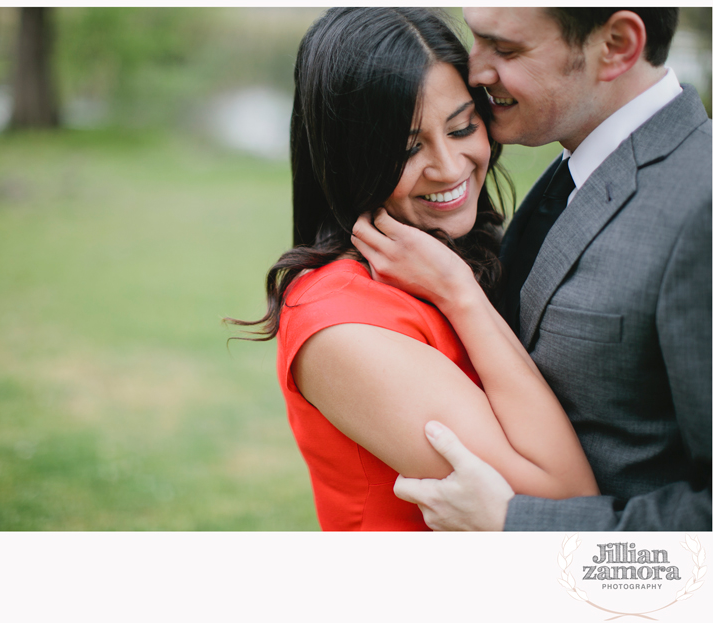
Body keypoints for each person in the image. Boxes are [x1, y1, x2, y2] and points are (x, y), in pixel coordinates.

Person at [231, 7, 599, 530]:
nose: (450, 167)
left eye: (462, 127)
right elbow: (563, 505)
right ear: (350, 157)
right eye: (408, 148)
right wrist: (461, 295)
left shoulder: (448, 258)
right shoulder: (341, 323)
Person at [353, 8, 711, 530]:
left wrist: (514, 525)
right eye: (476, 38)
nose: (474, 71)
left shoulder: (703, 207)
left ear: (616, 45)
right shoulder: (572, 169)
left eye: (506, 49)